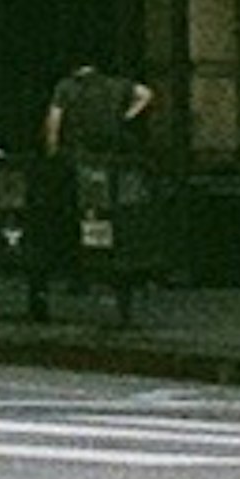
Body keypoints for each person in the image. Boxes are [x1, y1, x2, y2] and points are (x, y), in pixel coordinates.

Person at [45, 50, 155, 319]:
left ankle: (82, 272)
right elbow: (146, 94)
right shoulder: (116, 85)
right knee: (112, 213)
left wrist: (52, 150)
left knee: (81, 213)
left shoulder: (67, 87)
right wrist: (127, 116)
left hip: (80, 158)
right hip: (112, 159)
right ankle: (115, 270)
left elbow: (54, 120)